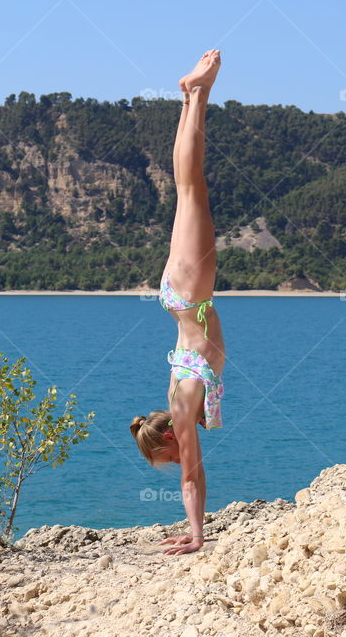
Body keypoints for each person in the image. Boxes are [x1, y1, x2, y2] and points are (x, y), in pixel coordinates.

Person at [129, 50, 224, 557]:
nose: (178, 460)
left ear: (167, 442)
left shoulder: (182, 411)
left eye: (167, 458)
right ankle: (190, 96)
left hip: (188, 291)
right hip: (184, 296)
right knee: (188, 191)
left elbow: (193, 479)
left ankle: (197, 92)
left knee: (191, 189)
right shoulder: (178, 404)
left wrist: (196, 536)